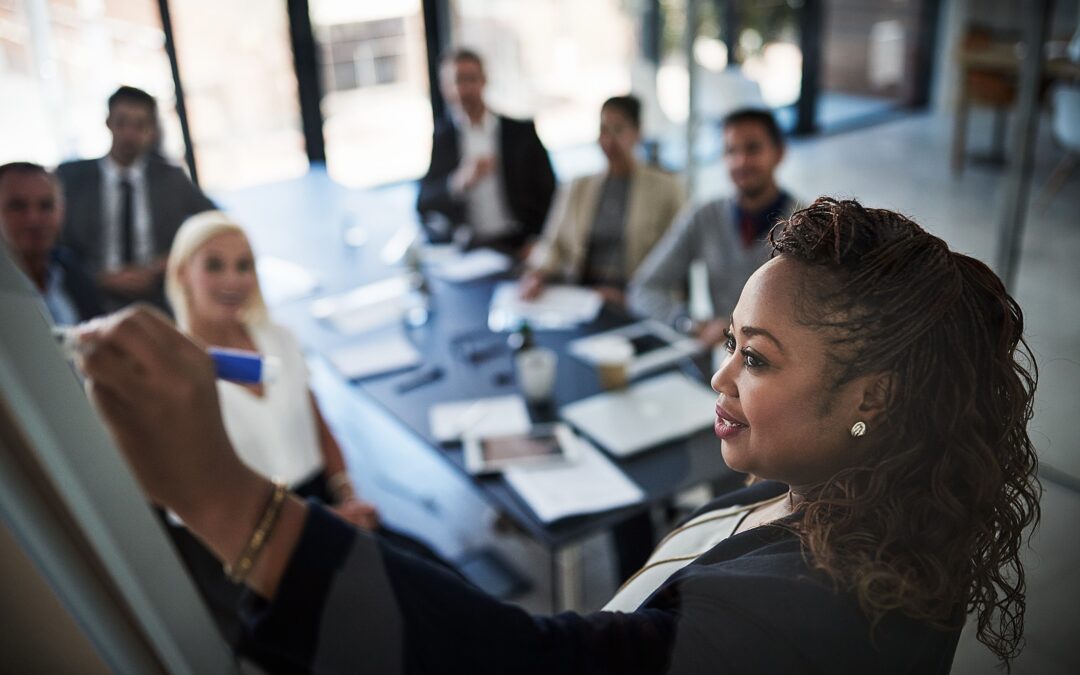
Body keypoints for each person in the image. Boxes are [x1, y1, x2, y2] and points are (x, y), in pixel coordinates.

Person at [78, 198, 1040, 673]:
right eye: (731, 344)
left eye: (757, 356)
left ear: (868, 393)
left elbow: (526, 667)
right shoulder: (849, 495)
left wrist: (219, 493)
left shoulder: (817, 620)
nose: (720, 375)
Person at [161, 211, 449, 653]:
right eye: (215, 264)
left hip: (319, 501)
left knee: (438, 584)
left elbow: (318, 425)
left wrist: (347, 494)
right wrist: (314, 525)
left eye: (245, 265)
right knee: (379, 634)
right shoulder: (175, 377)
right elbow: (203, 512)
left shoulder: (277, 339)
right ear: (183, 273)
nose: (233, 279)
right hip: (249, 545)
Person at [628, 108, 798, 346]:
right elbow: (644, 288)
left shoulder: (805, 226)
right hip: (721, 359)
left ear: (779, 153)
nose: (741, 162)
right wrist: (687, 323)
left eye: (752, 149)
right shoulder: (704, 215)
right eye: (731, 151)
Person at [57, 85, 216, 311]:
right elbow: (59, 247)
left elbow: (213, 224)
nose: (129, 134)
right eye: (122, 122)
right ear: (108, 122)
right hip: (92, 298)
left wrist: (162, 265)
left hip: (160, 297)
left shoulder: (171, 179)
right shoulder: (72, 179)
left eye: (139, 125)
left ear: (151, 129)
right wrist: (99, 277)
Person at [520, 95, 685, 306]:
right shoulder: (578, 187)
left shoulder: (666, 188)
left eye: (618, 130)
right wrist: (537, 274)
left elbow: (675, 262)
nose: (608, 140)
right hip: (582, 295)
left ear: (637, 133)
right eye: (603, 130)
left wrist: (631, 298)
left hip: (633, 299)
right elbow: (553, 244)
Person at [416, 48, 556, 256]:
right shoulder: (444, 138)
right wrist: (458, 182)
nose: (463, 90)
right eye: (456, 81)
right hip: (472, 248)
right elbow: (424, 201)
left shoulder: (520, 133)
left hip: (520, 242)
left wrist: (539, 240)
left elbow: (550, 194)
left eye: (470, 79)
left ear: (484, 80)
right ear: (445, 88)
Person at [0, 162, 103, 324]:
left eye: (46, 206)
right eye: (18, 206)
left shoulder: (72, 270)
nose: (34, 219)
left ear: (62, 211)